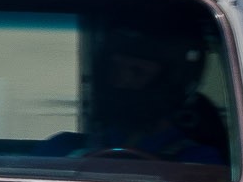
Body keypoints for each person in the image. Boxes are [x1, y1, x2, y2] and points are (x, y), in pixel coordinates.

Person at [86, 27, 228, 171]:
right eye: (115, 69)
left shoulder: (198, 158)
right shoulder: (84, 143)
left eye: (137, 71)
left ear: (166, 81)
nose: (121, 81)